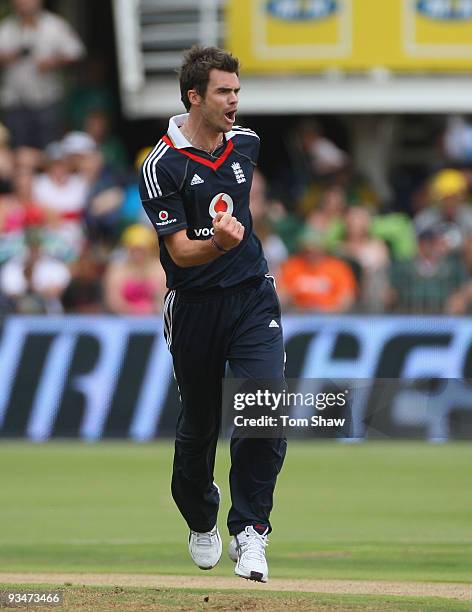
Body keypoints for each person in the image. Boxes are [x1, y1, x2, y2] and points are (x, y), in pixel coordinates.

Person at [139, 46, 286, 583]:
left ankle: (251, 531)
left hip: (252, 296)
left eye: (237, 91)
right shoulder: (162, 165)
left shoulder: (246, 145)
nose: (234, 101)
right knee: (199, 425)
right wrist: (220, 244)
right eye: (224, 92)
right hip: (195, 307)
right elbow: (178, 251)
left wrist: (235, 249)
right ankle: (201, 516)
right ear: (194, 97)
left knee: (265, 407)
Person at [0, 0, 85, 150]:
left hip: (47, 101)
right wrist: (6, 57)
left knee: (50, 149)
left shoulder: (54, 25)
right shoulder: (6, 28)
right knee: (20, 150)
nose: (23, 3)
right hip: (15, 102)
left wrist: (54, 62)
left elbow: (77, 53)